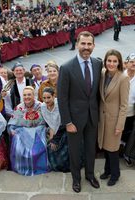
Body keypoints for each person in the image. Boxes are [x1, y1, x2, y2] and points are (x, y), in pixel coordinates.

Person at [57, 31, 103, 193]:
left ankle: (90, 175)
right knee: (75, 151)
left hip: (92, 117)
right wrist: (68, 122)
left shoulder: (98, 64)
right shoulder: (66, 68)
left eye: (89, 44)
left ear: (93, 46)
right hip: (74, 121)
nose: (86, 47)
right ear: (77, 44)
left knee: (91, 149)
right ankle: (76, 179)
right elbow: (62, 98)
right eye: (83, 44)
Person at [98, 49, 129, 186]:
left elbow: (124, 105)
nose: (111, 63)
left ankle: (115, 174)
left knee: (113, 150)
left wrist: (120, 125)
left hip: (115, 121)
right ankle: (107, 170)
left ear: (119, 62)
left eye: (114, 61)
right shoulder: (103, 74)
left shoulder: (123, 78)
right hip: (103, 119)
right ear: (105, 62)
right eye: (109, 61)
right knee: (106, 147)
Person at [8, 86, 48, 176]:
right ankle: (22, 167)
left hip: (39, 130)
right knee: (18, 144)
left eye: (29, 94)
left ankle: (39, 167)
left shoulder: (41, 106)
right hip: (23, 131)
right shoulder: (19, 107)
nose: (27, 97)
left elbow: (48, 121)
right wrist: (12, 130)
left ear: (34, 95)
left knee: (37, 149)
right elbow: (12, 122)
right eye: (25, 95)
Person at [41, 87, 70, 172]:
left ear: (54, 96)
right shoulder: (43, 107)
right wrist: (51, 136)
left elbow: (62, 124)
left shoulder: (60, 105)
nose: (46, 100)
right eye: (44, 98)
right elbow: (50, 124)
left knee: (61, 149)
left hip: (65, 130)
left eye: (49, 97)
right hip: (53, 130)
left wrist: (55, 140)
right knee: (50, 147)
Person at [122, 53, 135, 166]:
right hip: (120, 112)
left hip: (132, 112)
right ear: (126, 64)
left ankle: (127, 152)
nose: (134, 63)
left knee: (129, 132)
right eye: (132, 61)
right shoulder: (121, 76)